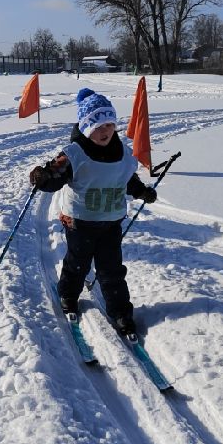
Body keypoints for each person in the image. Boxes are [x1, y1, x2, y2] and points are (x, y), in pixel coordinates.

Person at [29, 88, 157, 336]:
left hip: (110, 223)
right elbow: (55, 178)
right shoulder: (74, 154)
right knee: (77, 263)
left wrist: (143, 192)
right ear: (87, 127)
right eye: (98, 125)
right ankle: (67, 295)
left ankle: (121, 313)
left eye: (109, 124)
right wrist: (42, 177)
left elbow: (127, 180)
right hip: (80, 222)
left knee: (112, 270)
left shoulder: (122, 155)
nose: (105, 130)